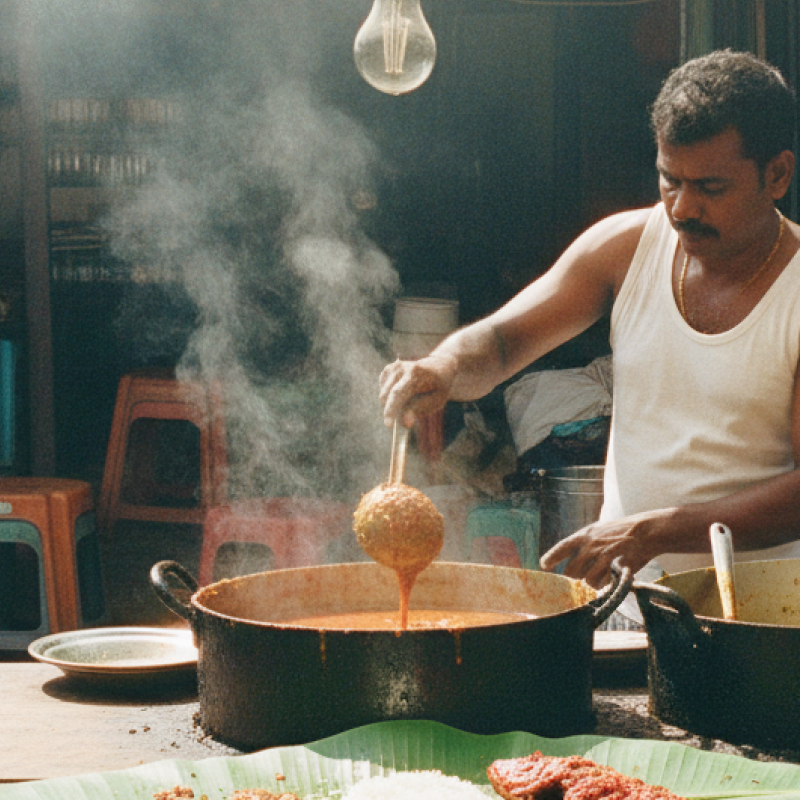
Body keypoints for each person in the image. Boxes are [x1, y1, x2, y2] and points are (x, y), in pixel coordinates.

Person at [379, 49, 800, 589]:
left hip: (766, 616)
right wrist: (442, 367)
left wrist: (654, 531)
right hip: (629, 600)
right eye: (670, 180)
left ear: (778, 174)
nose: (681, 209)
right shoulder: (624, 247)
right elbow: (505, 342)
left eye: (710, 188)